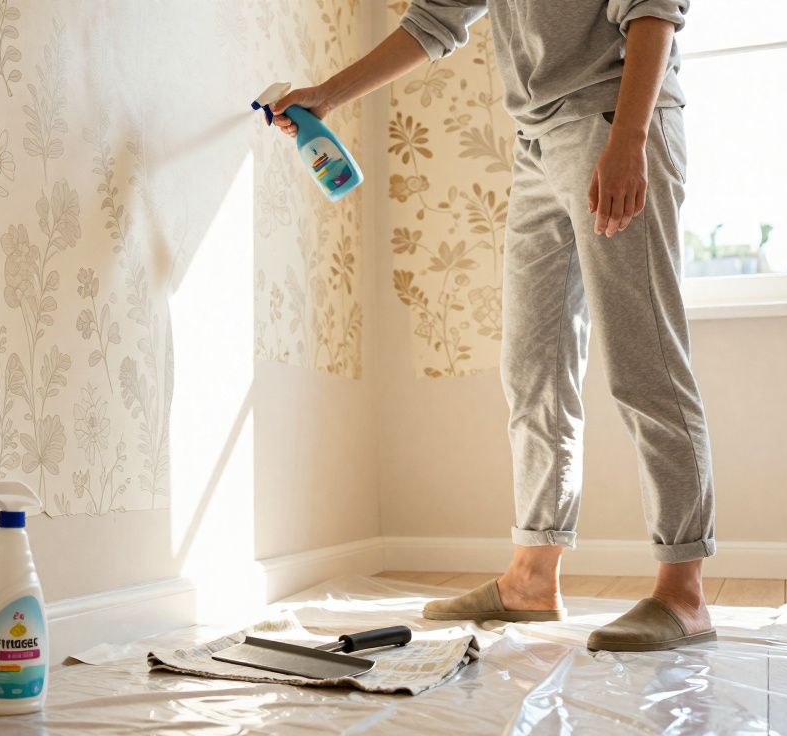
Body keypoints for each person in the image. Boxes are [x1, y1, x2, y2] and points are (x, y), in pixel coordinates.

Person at [271, 0, 714, 652]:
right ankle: (531, 577)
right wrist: (329, 95)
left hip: (615, 120)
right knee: (532, 368)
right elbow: (434, 20)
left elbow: (653, 10)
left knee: (642, 360)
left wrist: (629, 139)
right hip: (536, 143)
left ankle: (683, 591)